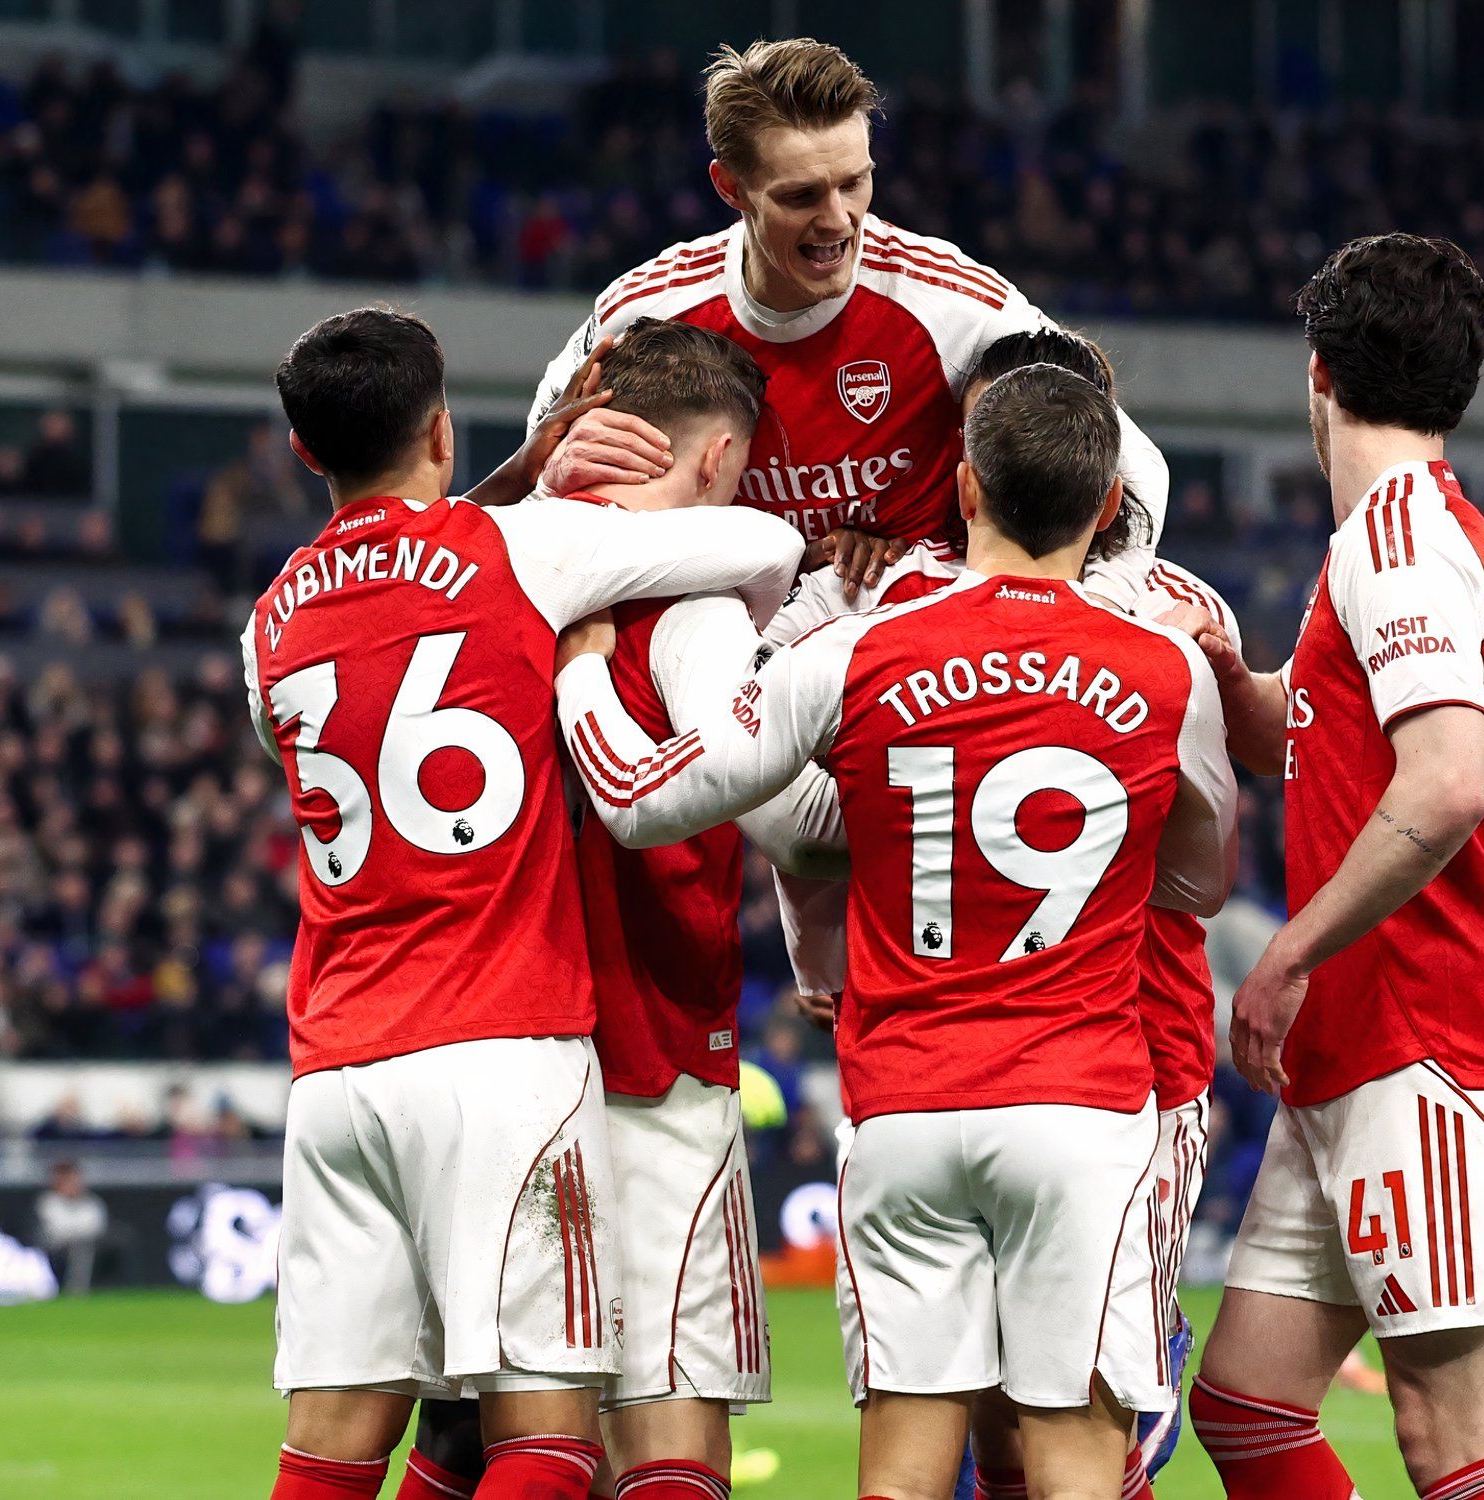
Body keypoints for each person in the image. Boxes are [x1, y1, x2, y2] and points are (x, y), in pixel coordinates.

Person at [556, 362, 1233, 1500]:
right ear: (1111, 505)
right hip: (1081, 1103)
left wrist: (584, 674)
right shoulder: (1169, 666)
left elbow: (644, 802)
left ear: (963, 489)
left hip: (907, 1102)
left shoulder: (856, 649)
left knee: (904, 1474)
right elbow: (1200, 883)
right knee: (1076, 1465)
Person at [241, 305, 802, 1500]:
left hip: (335, 1058)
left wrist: (523, 472)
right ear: (442, 428)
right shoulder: (532, 557)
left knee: (340, 1441)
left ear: (303, 451)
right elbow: (766, 546)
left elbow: (382, 602)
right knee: (551, 1441)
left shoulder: (269, 619)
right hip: (503, 1039)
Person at [759, 327, 1233, 1499]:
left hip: (978, 1054)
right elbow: (1204, 865)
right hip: (1099, 1062)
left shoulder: (871, 609)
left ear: (965, 472)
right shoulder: (1177, 624)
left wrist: (826, 941)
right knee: (1056, 1430)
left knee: (969, 1428)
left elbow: (771, 795)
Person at [410, 319, 836, 1500]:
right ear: (718, 460)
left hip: (483, 1048)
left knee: (479, 1435)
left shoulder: (479, 587)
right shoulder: (698, 609)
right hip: (651, 1056)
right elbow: (788, 820)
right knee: (665, 1436)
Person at [1175, 233, 1484, 1500]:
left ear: (1320, 373)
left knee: (1455, 1436)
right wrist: (1229, 679)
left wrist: (1286, 954)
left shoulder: (1399, 538)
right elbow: (1307, 742)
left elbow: (1446, 783)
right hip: (1367, 1038)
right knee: (1246, 1406)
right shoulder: (1400, 536)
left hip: (1437, 1033)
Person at [517, 38, 1168, 595]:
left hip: (907, 642)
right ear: (730, 188)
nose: (838, 221)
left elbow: (1137, 468)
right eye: (801, 196)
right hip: (710, 641)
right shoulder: (644, 311)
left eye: (854, 183)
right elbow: (531, 484)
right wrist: (543, 472)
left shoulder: (954, 303)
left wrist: (1101, 602)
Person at [36, 1159, 109, 1296]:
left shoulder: (91, 1202)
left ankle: (77, 1290)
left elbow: (96, 1226)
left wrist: (77, 1233)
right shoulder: (49, 1202)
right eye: (67, 1181)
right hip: (55, 1246)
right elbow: (56, 1229)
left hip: (87, 1245)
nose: (71, 1184)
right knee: (77, 1246)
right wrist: (76, 1232)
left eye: (74, 1180)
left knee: (81, 1247)